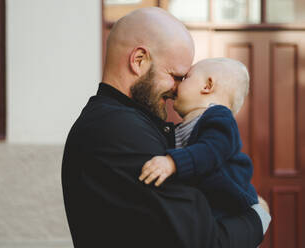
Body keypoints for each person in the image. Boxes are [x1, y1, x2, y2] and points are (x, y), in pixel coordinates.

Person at [61, 7, 270, 248]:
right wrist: (258, 217)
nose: (177, 90)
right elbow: (204, 241)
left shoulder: (126, 122)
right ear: (139, 61)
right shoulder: (117, 131)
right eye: (176, 76)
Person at [139, 58, 261, 218]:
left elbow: (212, 149)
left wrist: (172, 162)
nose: (175, 86)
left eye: (185, 78)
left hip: (229, 205)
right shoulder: (183, 126)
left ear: (207, 86)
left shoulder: (219, 116)